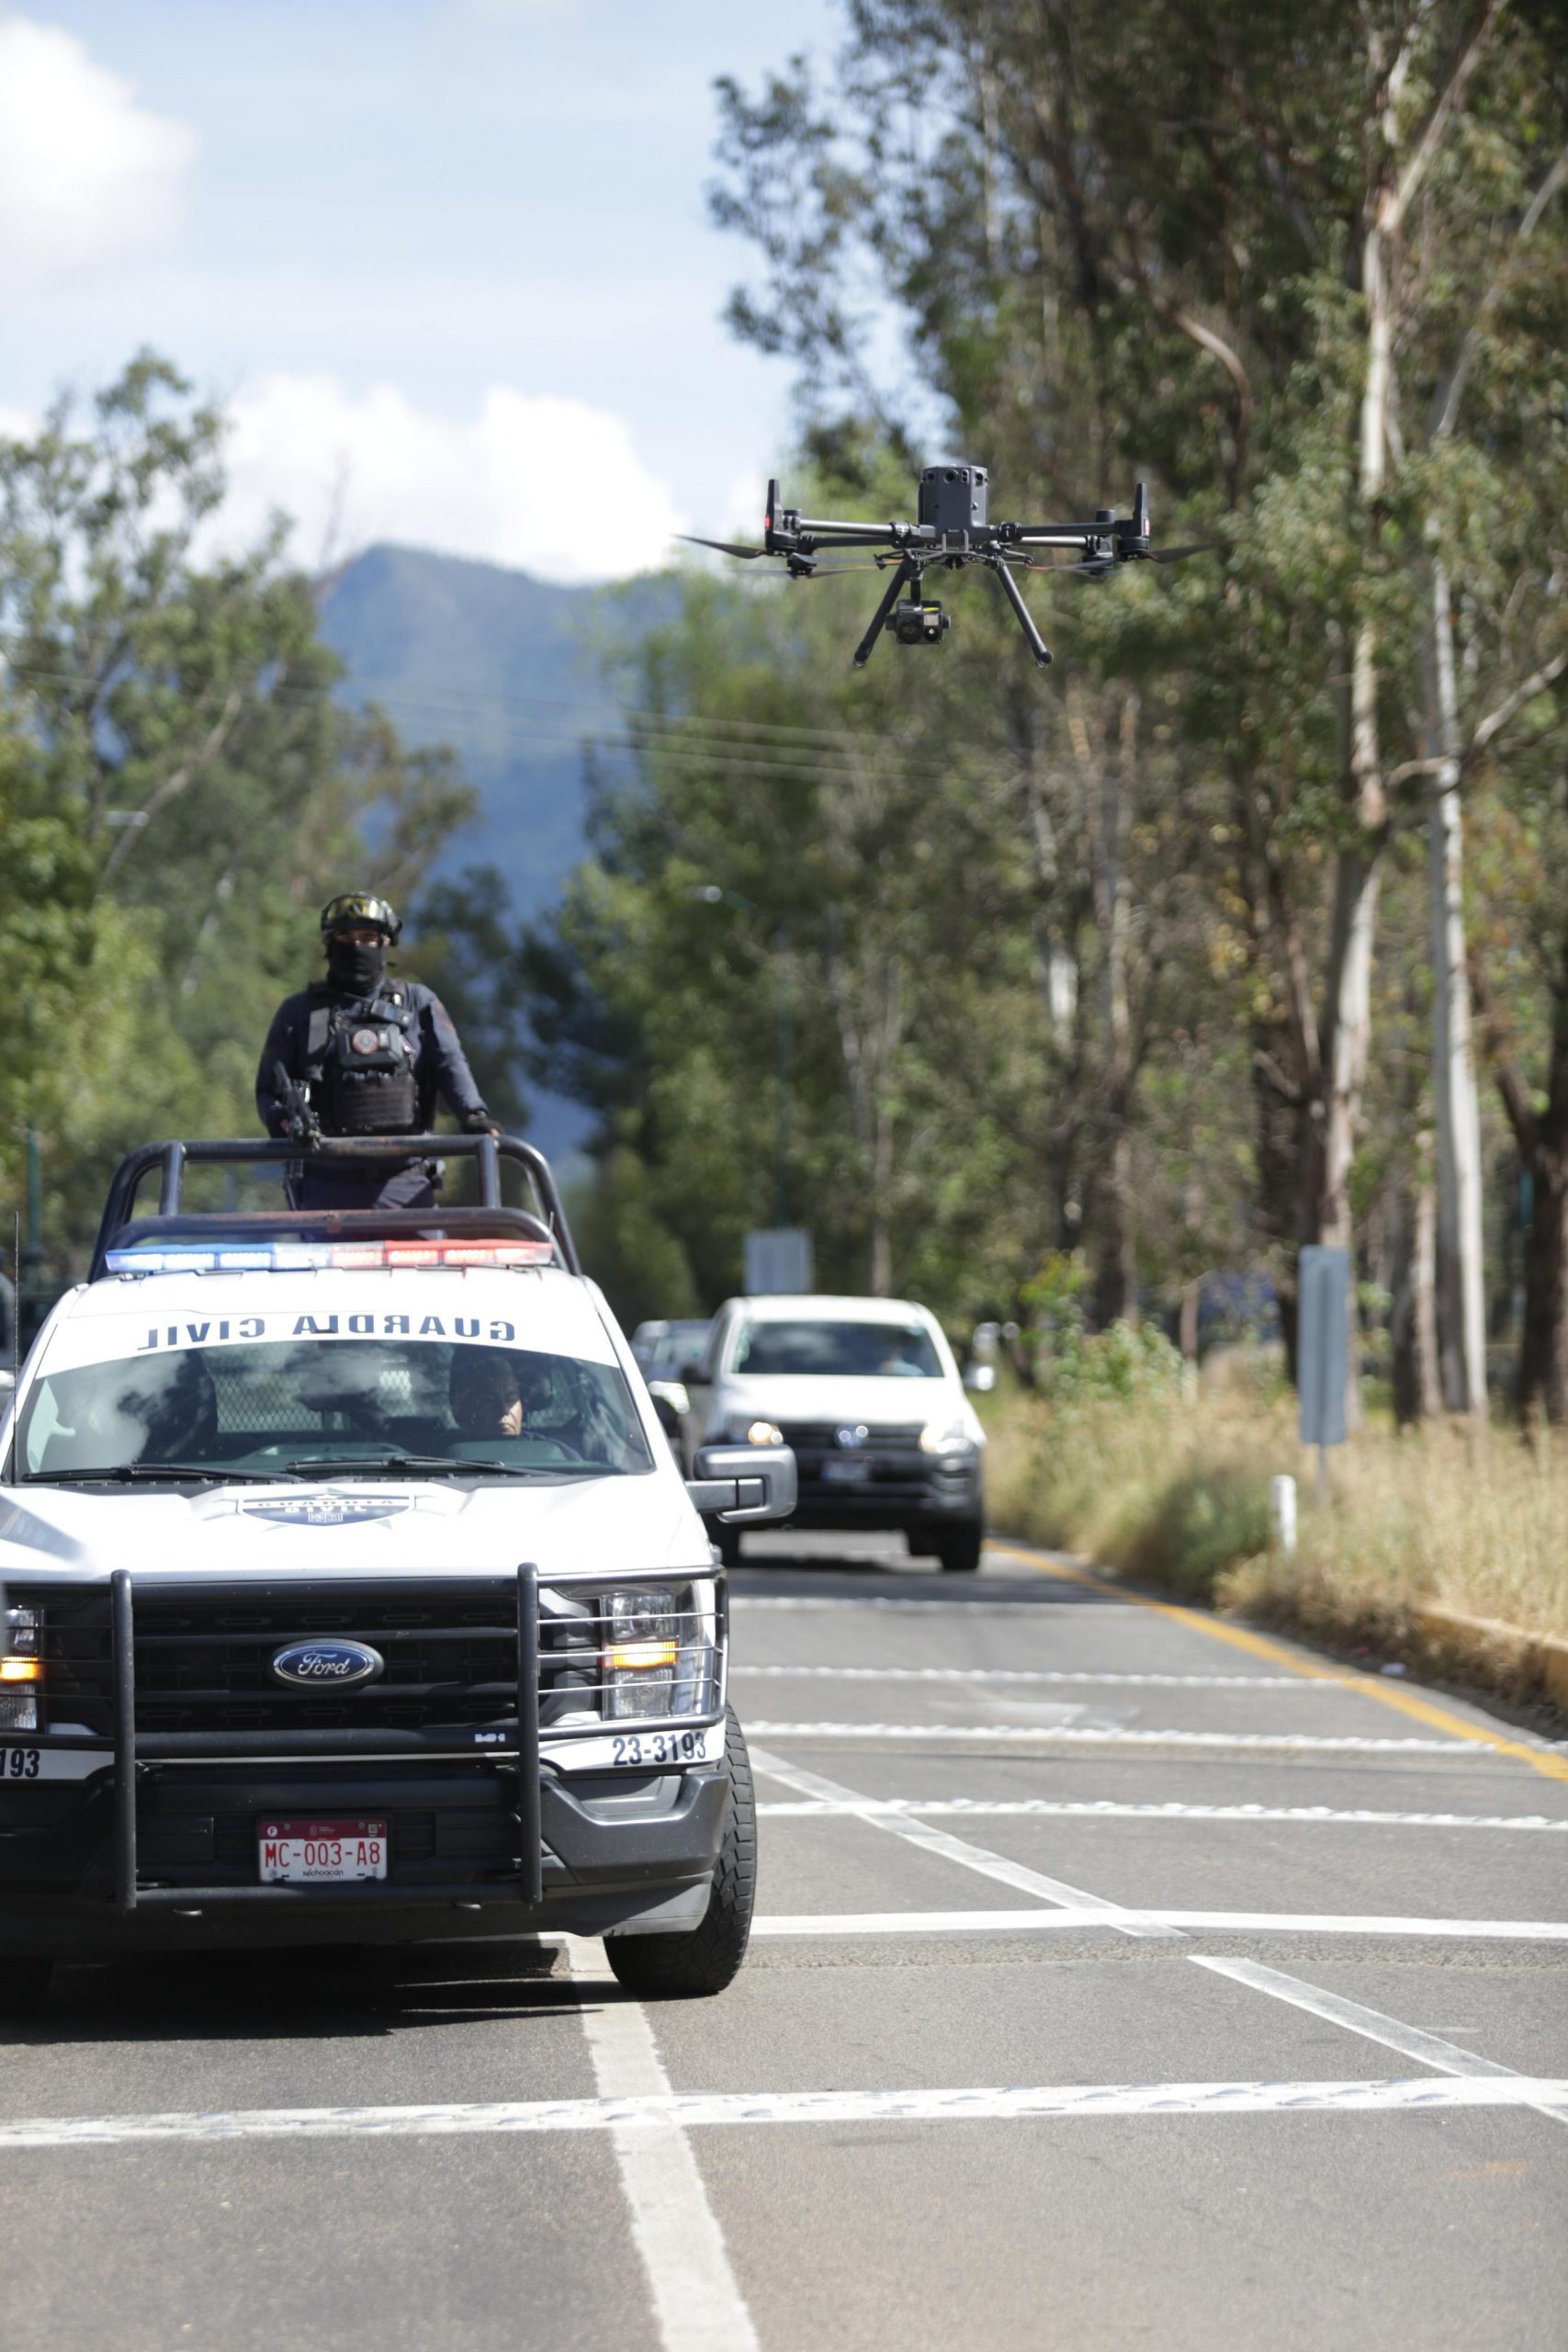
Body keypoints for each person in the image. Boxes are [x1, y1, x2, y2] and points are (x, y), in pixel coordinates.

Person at [255, 892, 496, 1210]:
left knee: (431, 1260)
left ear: (386, 943)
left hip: (407, 1186)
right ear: (330, 943)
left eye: (368, 937)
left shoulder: (418, 1003)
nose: (356, 945)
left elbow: (451, 1065)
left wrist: (475, 1116)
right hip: (325, 1190)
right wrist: (284, 1121)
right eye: (346, 936)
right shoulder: (298, 1012)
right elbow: (268, 1090)